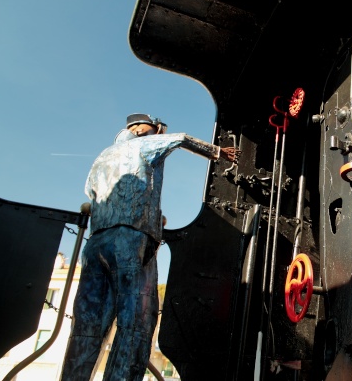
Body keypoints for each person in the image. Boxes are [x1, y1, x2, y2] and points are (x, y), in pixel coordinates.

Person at [60, 113, 240, 381]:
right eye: (155, 130)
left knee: (88, 324)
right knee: (136, 323)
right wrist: (218, 152)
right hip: (133, 239)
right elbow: (180, 139)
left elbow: (91, 194)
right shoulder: (142, 144)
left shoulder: (102, 158)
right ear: (142, 129)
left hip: (96, 242)